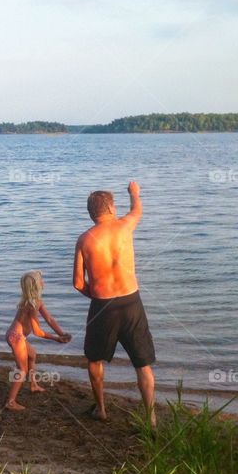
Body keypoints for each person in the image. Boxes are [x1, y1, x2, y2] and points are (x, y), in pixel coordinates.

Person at [73, 181, 156, 426]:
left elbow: (78, 283)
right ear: (110, 208)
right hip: (131, 302)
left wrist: (99, 297)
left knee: (94, 360)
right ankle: (150, 417)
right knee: (142, 364)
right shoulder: (124, 226)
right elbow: (138, 210)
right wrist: (134, 193)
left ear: (92, 213)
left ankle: (101, 409)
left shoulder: (84, 240)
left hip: (102, 307)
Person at [4, 270, 72, 411]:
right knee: (22, 369)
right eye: (41, 280)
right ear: (36, 285)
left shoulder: (36, 302)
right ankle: (10, 402)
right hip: (16, 337)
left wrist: (62, 333)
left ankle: (34, 385)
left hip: (16, 336)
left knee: (32, 355)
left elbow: (49, 319)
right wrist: (56, 339)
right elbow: (38, 332)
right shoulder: (31, 305)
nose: (44, 282)